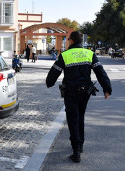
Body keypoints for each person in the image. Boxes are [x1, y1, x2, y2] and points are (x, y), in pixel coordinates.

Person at [46, 31, 112, 163]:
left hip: (71, 93)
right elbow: (100, 71)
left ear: (71, 41)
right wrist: (107, 88)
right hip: (85, 92)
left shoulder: (65, 55)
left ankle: (76, 151)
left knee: (72, 119)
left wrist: (49, 83)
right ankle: (80, 145)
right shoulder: (89, 54)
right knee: (80, 117)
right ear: (81, 41)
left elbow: (54, 72)